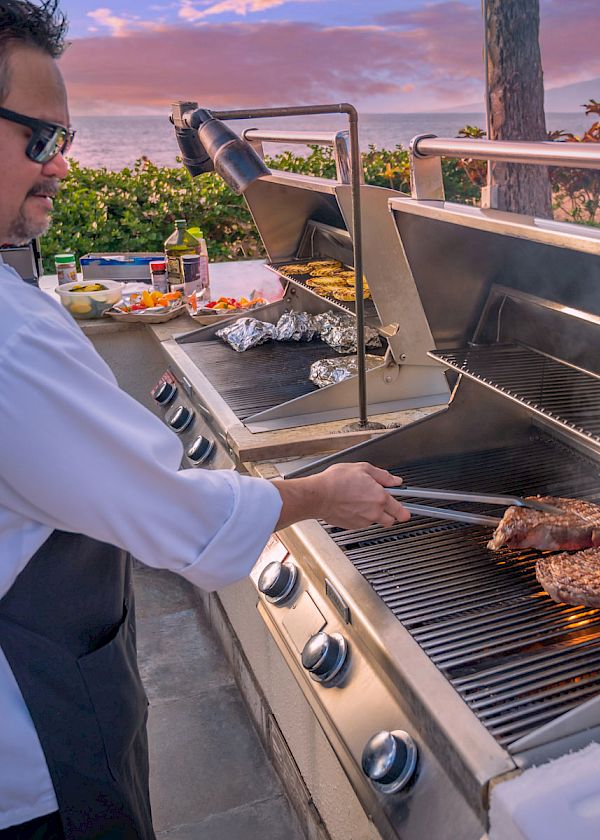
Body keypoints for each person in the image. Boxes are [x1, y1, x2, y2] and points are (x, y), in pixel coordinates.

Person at [0, 1, 410, 837]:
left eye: (66, 143)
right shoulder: (9, 339)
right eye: (42, 141)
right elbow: (170, 512)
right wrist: (320, 492)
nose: (63, 168)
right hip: (34, 757)